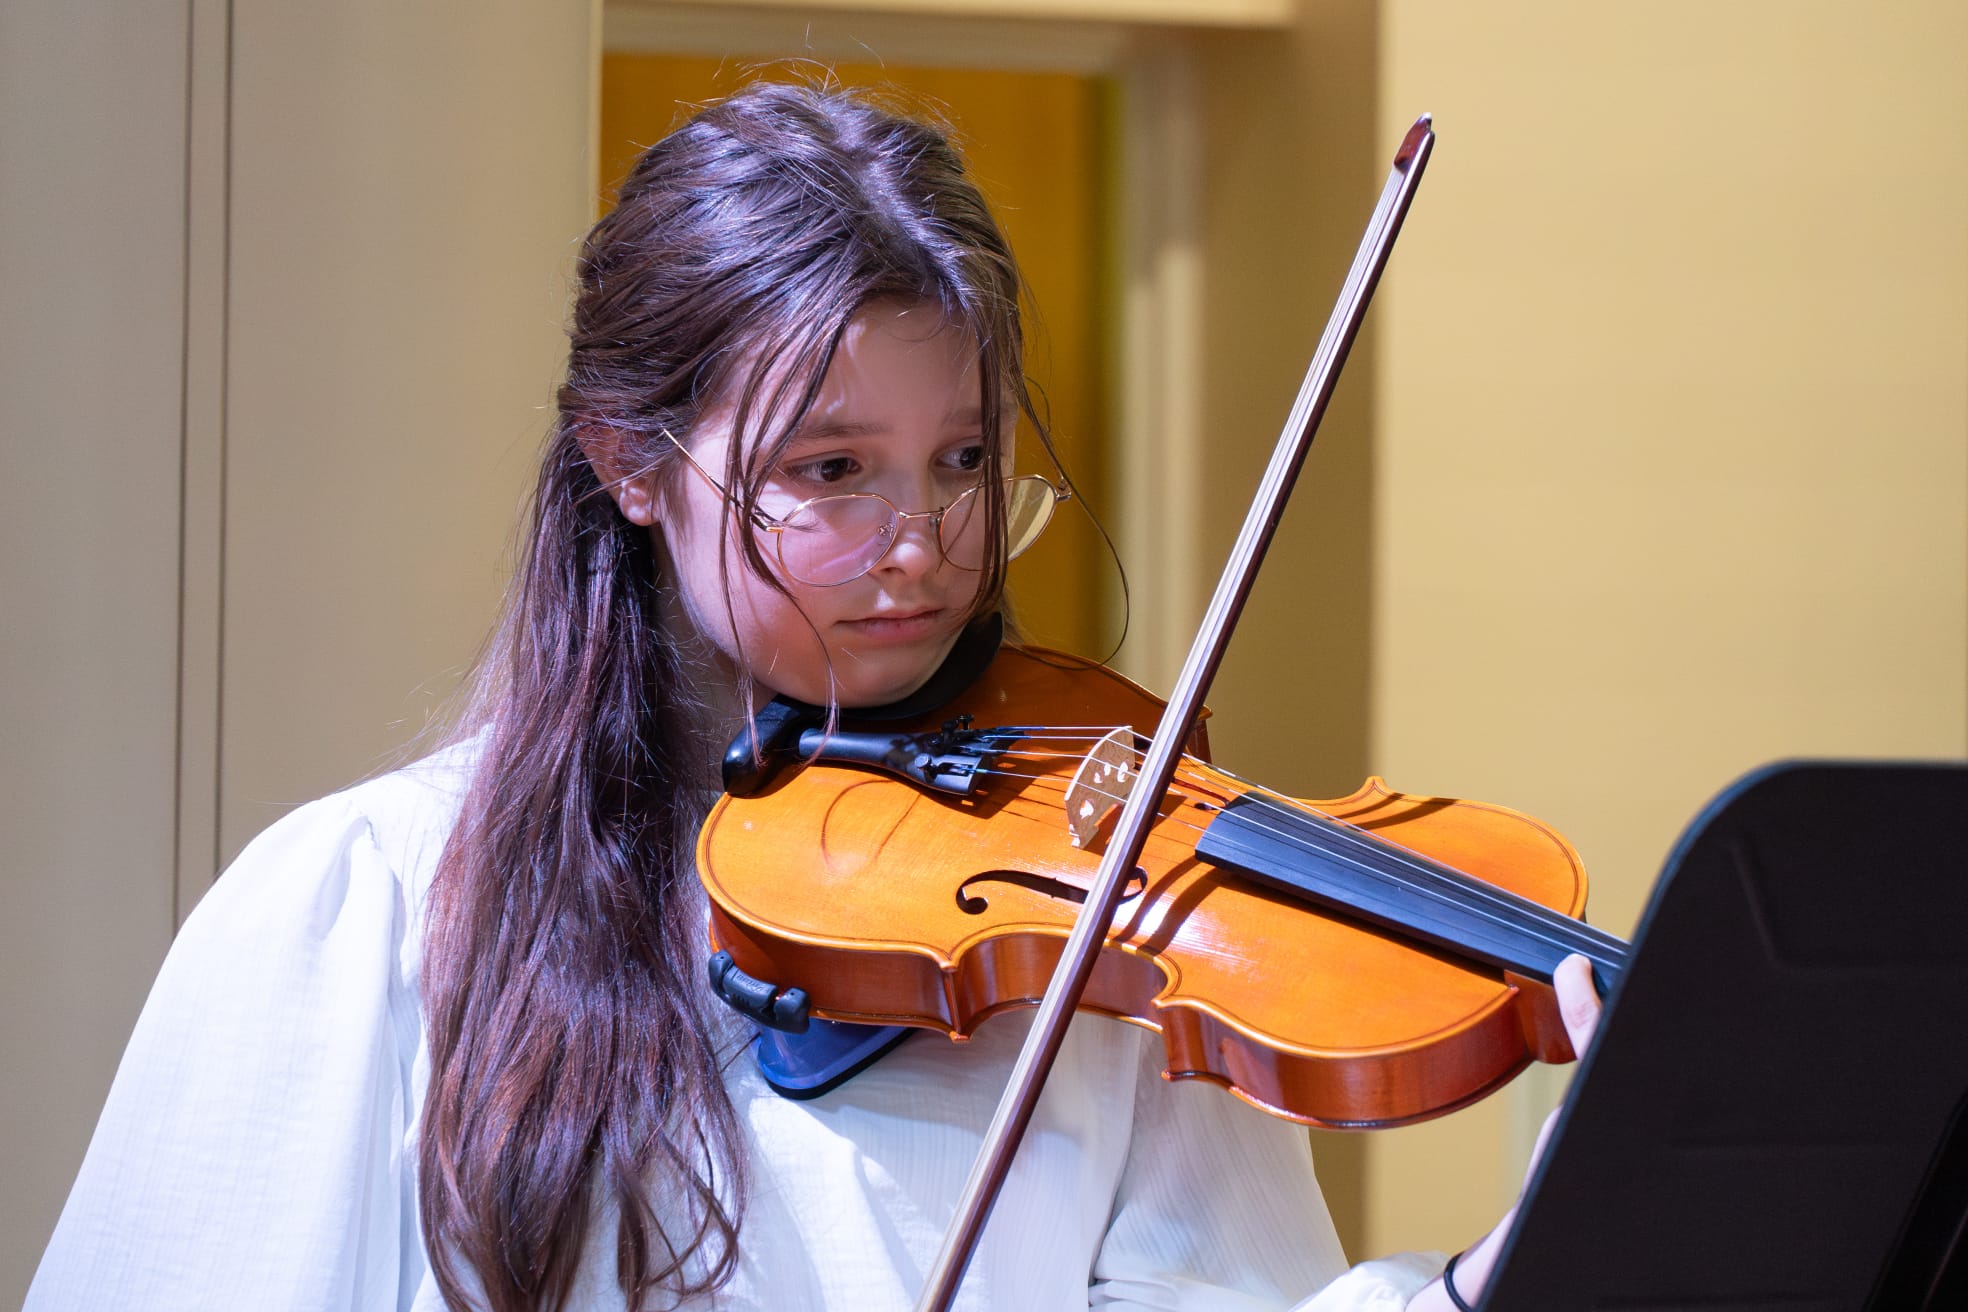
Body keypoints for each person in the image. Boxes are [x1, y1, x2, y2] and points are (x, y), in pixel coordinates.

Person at [28, 80, 1599, 1312]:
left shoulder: (1096, 939)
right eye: (832, 471)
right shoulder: (366, 906)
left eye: (963, 460)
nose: (924, 545)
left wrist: (1483, 1286)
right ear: (630, 463)